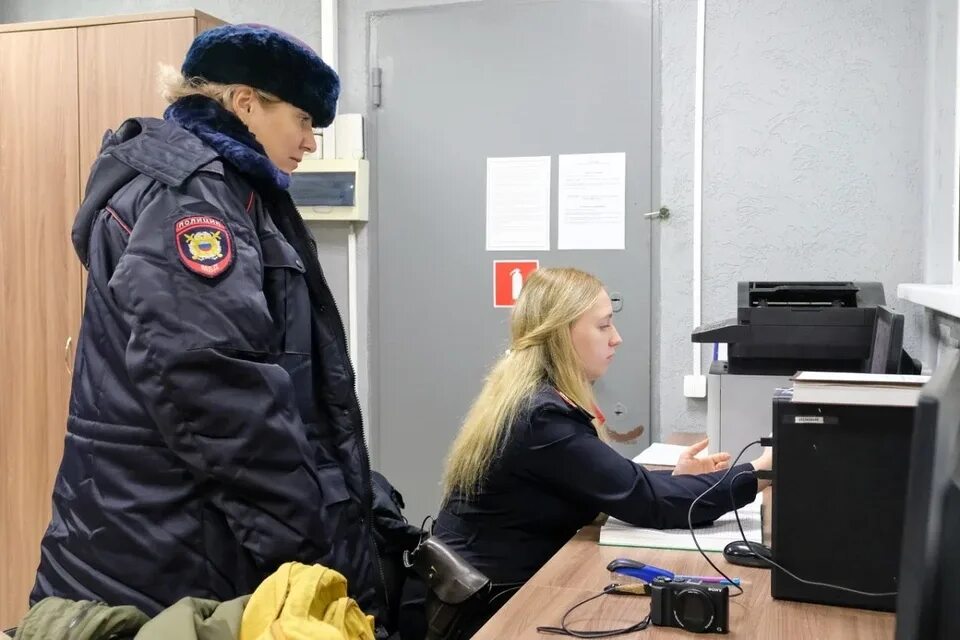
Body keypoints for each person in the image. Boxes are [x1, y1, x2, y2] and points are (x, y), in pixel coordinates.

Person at [30, 24, 417, 637]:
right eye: (302, 120)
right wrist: (307, 547)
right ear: (244, 103)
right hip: (176, 543)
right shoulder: (195, 197)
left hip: (156, 526)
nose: (311, 143)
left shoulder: (224, 187)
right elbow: (214, 387)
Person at [435, 267, 773, 635]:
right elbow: (644, 499)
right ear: (563, 333)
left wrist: (675, 479)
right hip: (487, 612)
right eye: (603, 326)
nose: (617, 339)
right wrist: (759, 473)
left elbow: (610, 481)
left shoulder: (529, 396)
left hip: (479, 589)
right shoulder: (542, 418)